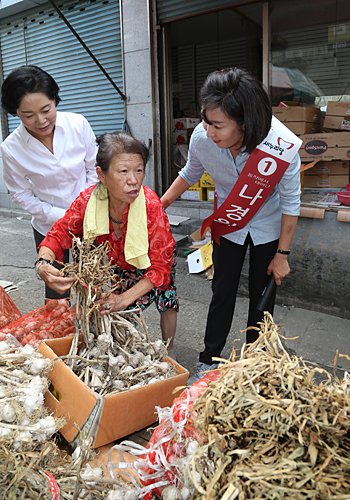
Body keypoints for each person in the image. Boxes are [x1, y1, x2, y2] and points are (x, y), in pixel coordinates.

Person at [161, 68, 302, 383]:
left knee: (260, 296)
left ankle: (254, 363)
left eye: (218, 125)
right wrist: (161, 204)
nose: (209, 131)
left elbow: (292, 204)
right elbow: (190, 171)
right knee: (221, 290)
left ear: (245, 122)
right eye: (205, 121)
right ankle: (210, 359)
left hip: (268, 226)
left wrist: (283, 254)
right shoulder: (202, 136)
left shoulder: (280, 147)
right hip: (229, 223)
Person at [36, 131, 178, 355]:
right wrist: (44, 262)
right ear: (101, 175)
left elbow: (161, 267)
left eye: (139, 170)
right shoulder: (88, 202)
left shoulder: (150, 205)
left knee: (167, 300)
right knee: (115, 311)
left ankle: (168, 352)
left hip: (153, 260)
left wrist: (123, 299)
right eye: (123, 172)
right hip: (120, 264)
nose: (134, 180)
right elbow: (58, 234)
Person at [0, 65, 98, 301]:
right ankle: (60, 336)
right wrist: (61, 215)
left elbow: (94, 170)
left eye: (46, 109)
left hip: (90, 221)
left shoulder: (78, 124)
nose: (41, 121)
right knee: (56, 288)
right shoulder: (11, 148)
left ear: (55, 100)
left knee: (93, 284)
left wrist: (83, 209)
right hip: (48, 226)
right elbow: (19, 194)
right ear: (15, 113)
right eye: (28, 115)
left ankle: (95, 334)